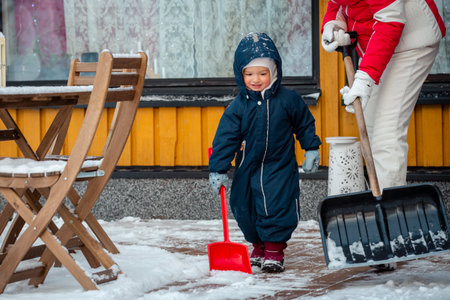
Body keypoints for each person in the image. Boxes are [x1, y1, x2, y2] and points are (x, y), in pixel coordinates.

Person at [321, 0, 446, 270]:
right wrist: (333, 24)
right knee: (373, 127)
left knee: (386, 132)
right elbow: (336, 4)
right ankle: (380, 222)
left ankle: (391, 233)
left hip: (411, 39)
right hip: (378, 41)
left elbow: (392, 21)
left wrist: (364, 78)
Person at [208, 32, 321, 273]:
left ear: (274, 72)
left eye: (262, 73)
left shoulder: (288, 100)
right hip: (248, 165)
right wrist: (218, 167)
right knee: (243, 205)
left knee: (276, 205)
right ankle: (258, 245)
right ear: (241, 75)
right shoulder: (239, 106)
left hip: (279, 165)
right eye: (249, 74)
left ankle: (274, 251)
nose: (256, 79)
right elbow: (226, 137)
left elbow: (304, 123)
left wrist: (311, 146)